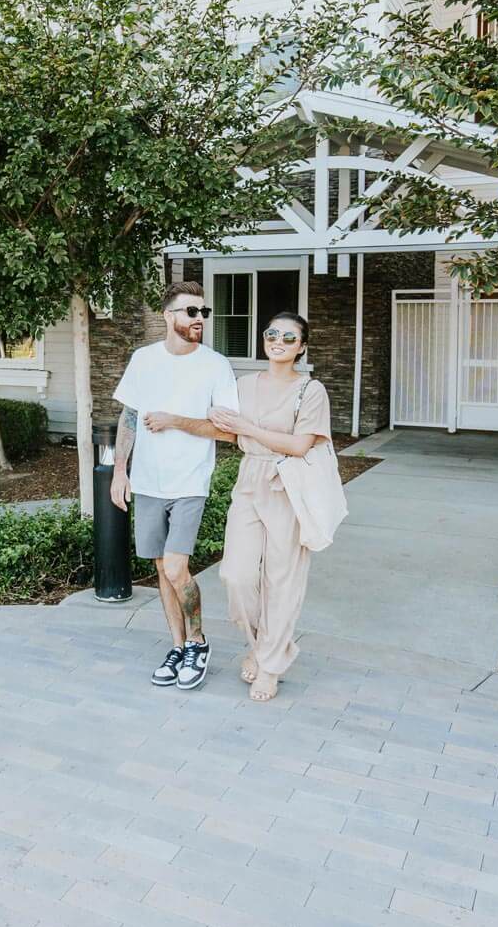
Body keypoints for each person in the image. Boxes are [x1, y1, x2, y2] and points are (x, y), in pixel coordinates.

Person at [110, 281, 239, 690]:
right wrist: (119, 472)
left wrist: (175, 420)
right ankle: (178, 645)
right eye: (191, 312)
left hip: (189, 483)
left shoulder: (216, 366)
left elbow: (229, 434)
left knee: (178, 567)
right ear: (169, 317)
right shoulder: (143, 359)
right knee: (162, 571)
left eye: (203, 312)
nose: (200, 318)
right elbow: (129, 417)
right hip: (148, 483)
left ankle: (198, 642)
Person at [210, 311, 333, 703]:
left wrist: (248, 429)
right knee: (236, 575)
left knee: (283, 580)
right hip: (250, 479)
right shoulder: (243, 385)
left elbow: (300, 445)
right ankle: (262, 644)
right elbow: (226, 430)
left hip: (288, 484)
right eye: (272, 333)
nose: (278, 340)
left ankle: (270, 665)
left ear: (302, 347)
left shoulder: (310, 390)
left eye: (289, 337)